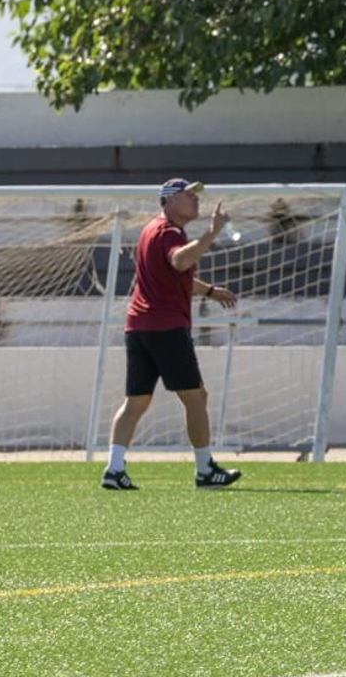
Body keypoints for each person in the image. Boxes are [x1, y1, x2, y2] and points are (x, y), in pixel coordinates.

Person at [101, 178, 243, 491]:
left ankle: (114, 469)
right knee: (196, 397)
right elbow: (180, 262)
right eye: (188, 195)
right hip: (165, 328)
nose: (195, 200)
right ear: (169, 200)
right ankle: (205, 469)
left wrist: (209, 291)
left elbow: (172, 275)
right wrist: (212, 232)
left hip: (138, 328)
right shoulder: (169, 232)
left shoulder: (151, 230)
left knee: (135, 403)